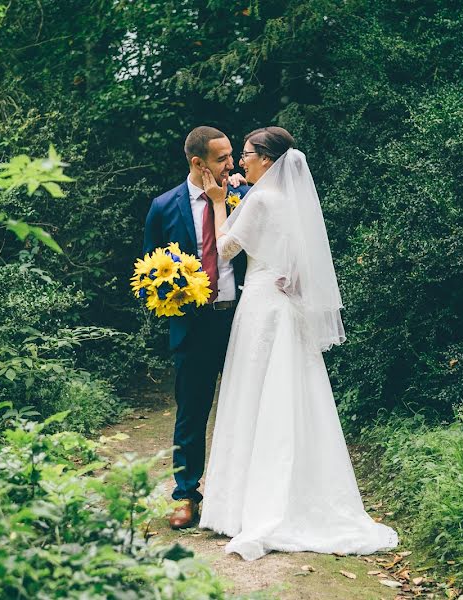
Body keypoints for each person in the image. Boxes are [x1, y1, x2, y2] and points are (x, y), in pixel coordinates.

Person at [197, 126, 399, 560]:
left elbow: (226, 249)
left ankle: (245, 508)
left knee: (252, 398)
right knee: (292, 401)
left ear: (267, 161)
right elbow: (304, 267)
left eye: (247, 154)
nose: (241, 162)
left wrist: (218, 205)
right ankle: (299, 495)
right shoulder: (292, 203)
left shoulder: (262, 199)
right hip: (285, 310)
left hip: (260, 309)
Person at [142, 126, 250, 529]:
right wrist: (168, 299)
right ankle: (186, 494)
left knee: (246, 407)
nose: (230, 164)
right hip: (192, 327)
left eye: (232, 156)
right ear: (197, 162)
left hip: (241, 319)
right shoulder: (163, 206)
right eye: (222, 158)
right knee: (191, 411)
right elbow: (147, 270)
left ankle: (240, 497)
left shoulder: (243, 197)